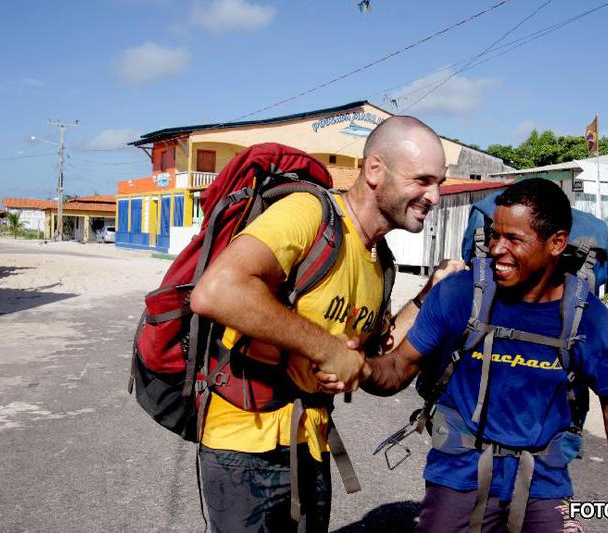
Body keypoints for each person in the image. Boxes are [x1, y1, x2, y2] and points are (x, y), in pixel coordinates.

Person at [189, 115, 453, 532]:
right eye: (422, 180)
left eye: (440, 182)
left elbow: (372, 359)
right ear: (374, 170)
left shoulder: (380, 263)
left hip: (312, 442)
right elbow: (217, 291)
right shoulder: (310, 213)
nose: (435, 196)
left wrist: (428, 296)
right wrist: (326, 348)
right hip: (244, 442)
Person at [358, 178, 608, 533]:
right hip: (459, 476)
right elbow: (399, 366)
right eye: (495, 234)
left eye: (514, 239)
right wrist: (360, 367)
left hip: (544, 484)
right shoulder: (459, 295)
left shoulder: (587, 316)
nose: (496, 249)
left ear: (557, 243)